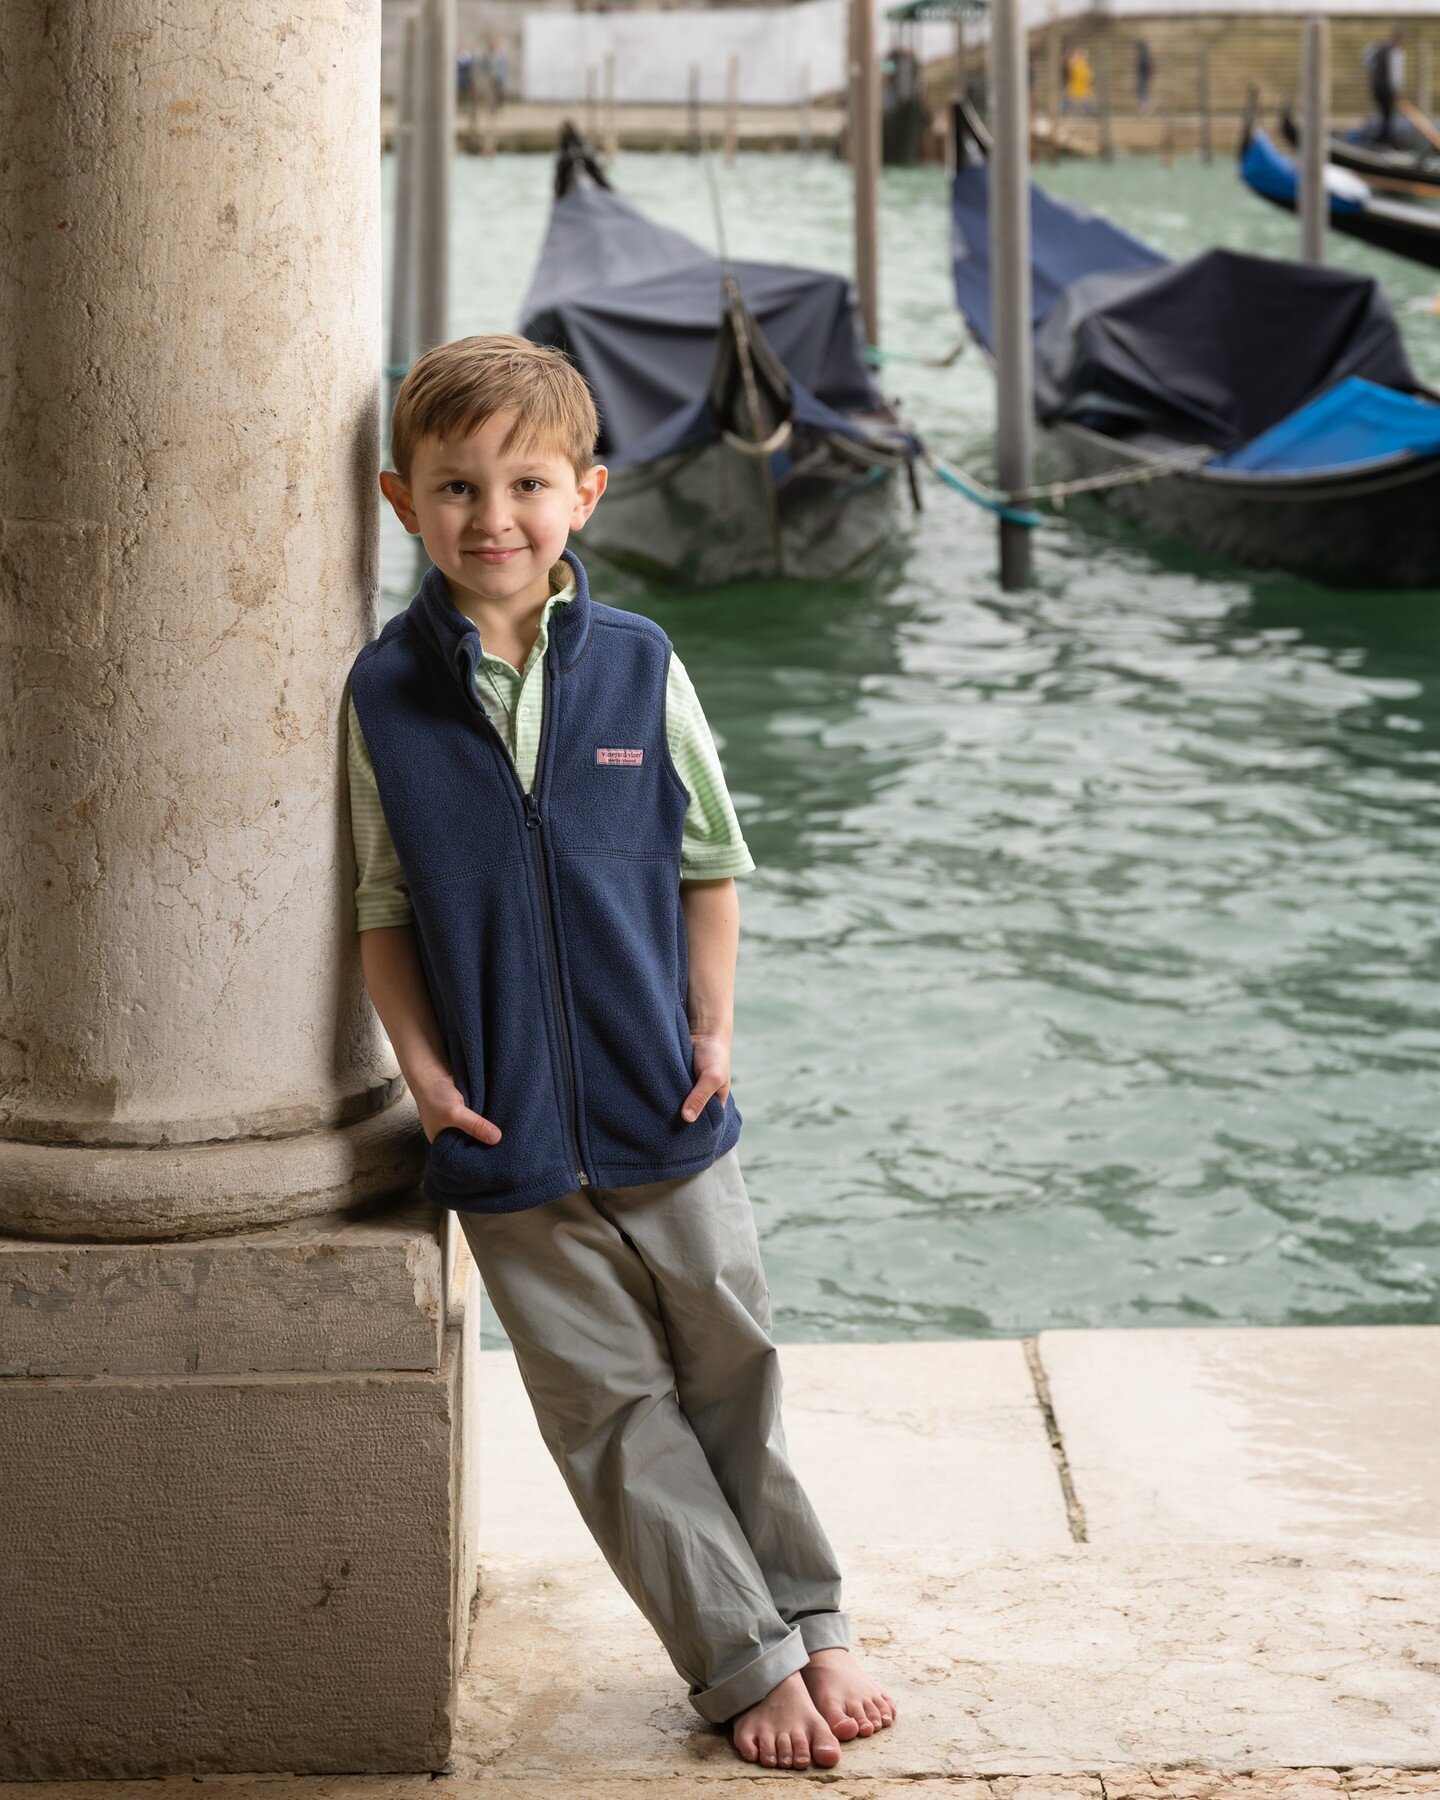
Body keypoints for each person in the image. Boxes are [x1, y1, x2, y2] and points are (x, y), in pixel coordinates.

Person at [345, 335, 899, 1772]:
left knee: (735, 1365)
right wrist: (426, 1077)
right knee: (609, 1411)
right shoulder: (384, 697)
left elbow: (712, 858)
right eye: (457, 487)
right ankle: (739, 1660)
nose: (493, 517)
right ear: (404, 502)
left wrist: (712, 1028)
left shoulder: (643, 667)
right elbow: (381, 907)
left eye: (526, 482)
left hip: (667, 1095)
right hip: (506, 1137)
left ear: (584, 493)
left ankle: (811, 1612)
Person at [1364, 25, 1406, 149]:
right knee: (1388, 114)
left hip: (1377, 86)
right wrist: (1396, 90)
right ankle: (1383, 140)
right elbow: (1394, 73)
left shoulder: (1380, 48)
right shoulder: (1393, 52)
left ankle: (1383, 139)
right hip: (1386, 88)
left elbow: (1367, 59)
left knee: (1386, 114)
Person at [1134, 37, 1153, 112]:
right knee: (1141, 92)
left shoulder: (1144, 57)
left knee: (1142, 91)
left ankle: (1147, 106)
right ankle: (1146, 105)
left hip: (1144, 76)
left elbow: (1146, 68)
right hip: (1143, 76)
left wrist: (1144, 76)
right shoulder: (1144, 56)